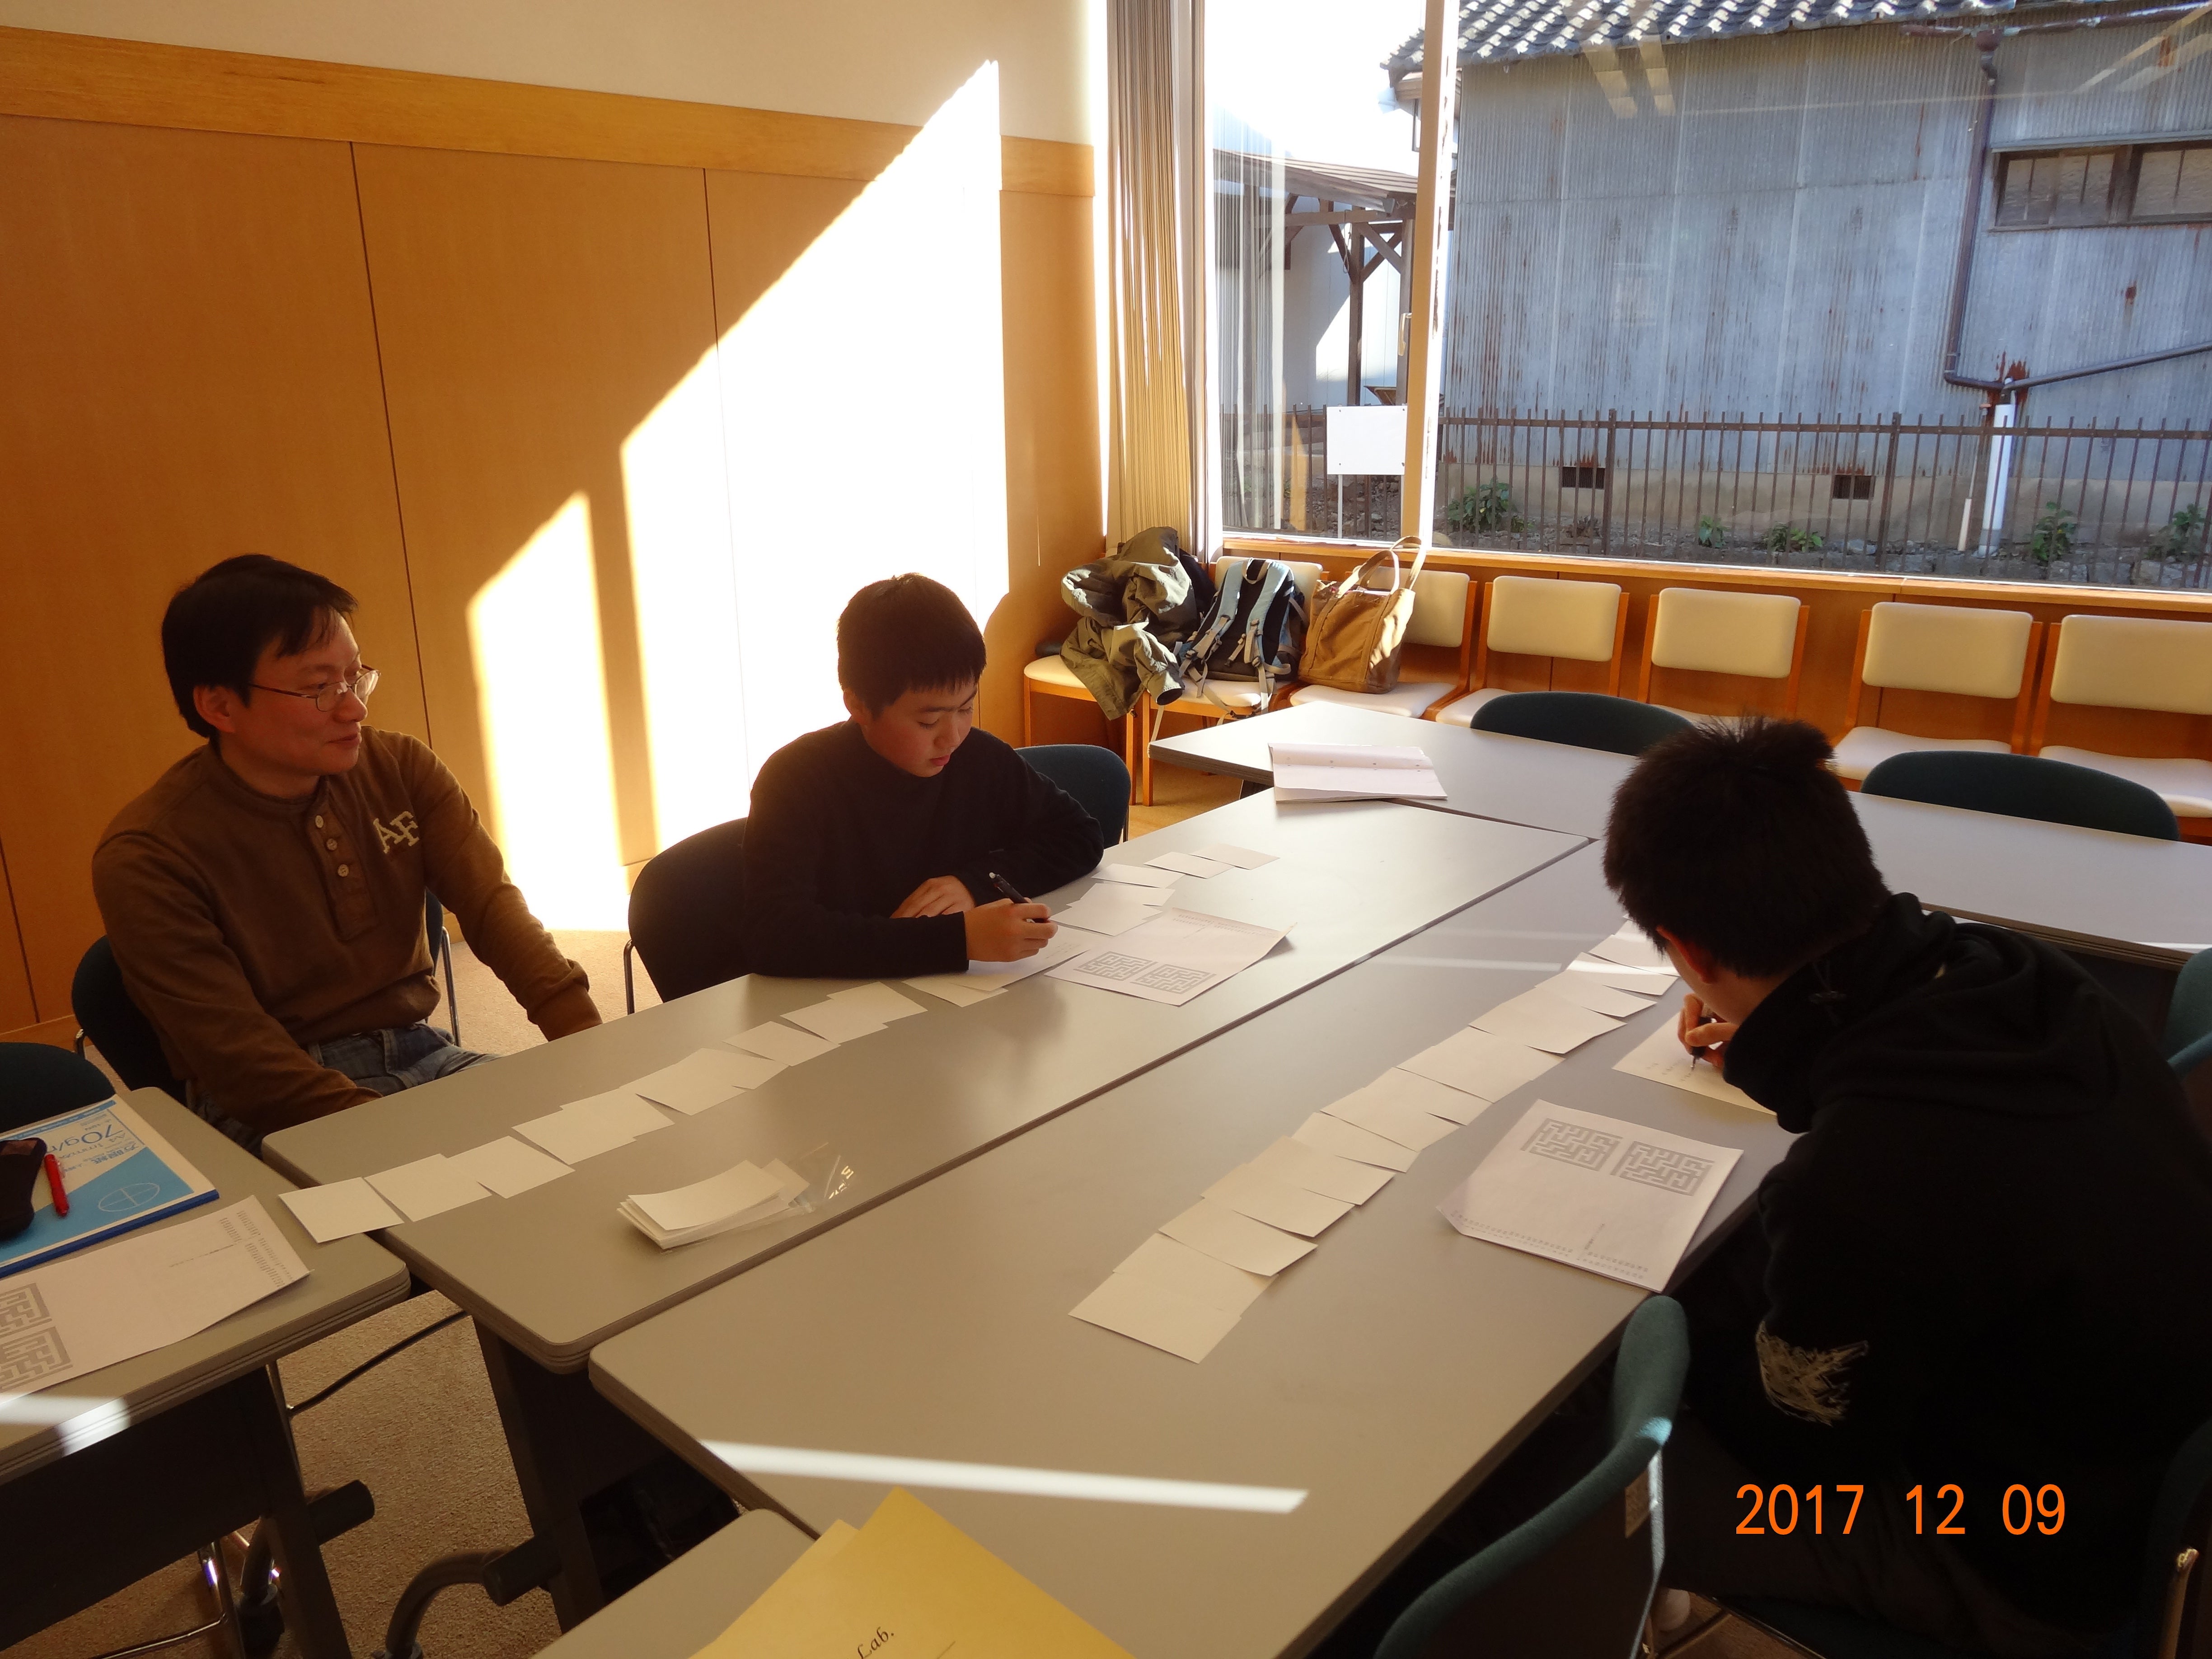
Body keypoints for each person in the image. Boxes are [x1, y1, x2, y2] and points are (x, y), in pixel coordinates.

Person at [1602, 717, 2212, 1657]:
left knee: (1585, 1484)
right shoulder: (2017, 973)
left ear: (1688, 952)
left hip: (2024, 1550)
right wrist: (1779, 1044)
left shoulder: (1864, 1175)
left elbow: (1804, 1445)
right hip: (2127, 1452)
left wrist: (1668, 1325)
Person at [93, 555, 600, 1151]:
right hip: (274, 1110)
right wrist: (402, 1144)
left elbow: (494, 910)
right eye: (319, 688)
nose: (354, 707)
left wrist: (590, 1046)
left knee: (588, 1141)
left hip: (422, 1053)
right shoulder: (149, 855)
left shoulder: (401, 768)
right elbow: (242, 1064)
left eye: (355, 677)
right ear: (220, 707)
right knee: (486, 1179)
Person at [744, 573, 1104, 979]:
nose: (953, 737)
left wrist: (973, 885)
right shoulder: (797, 780)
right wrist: (957, 940)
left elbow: (1079, 835)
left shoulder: (979, 758)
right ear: (858, 706)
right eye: (928, 721)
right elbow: (775, 936)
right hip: (840, 1002)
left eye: (966, 708)